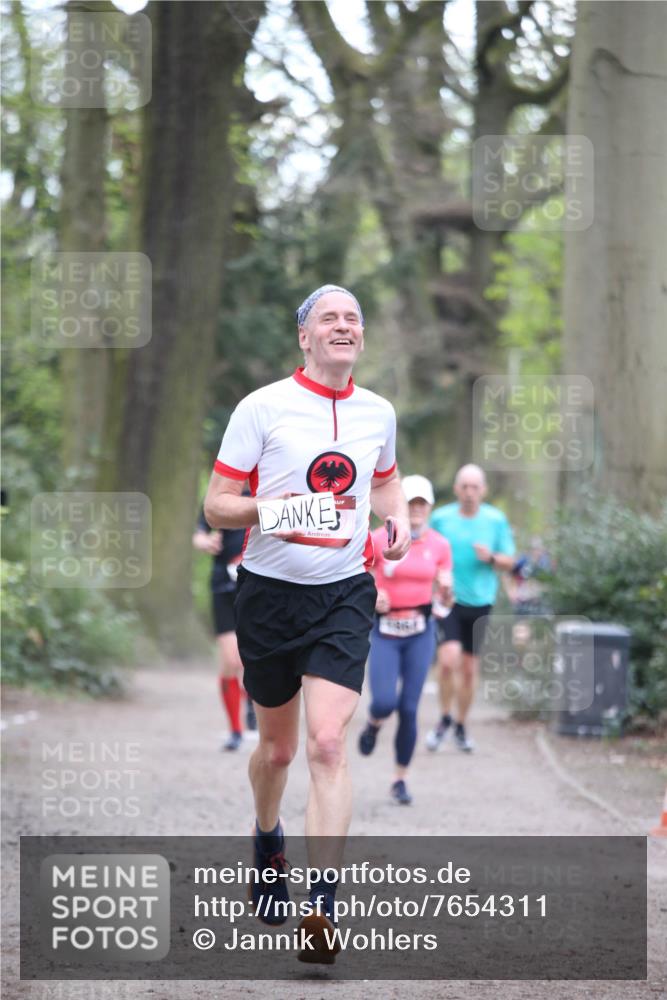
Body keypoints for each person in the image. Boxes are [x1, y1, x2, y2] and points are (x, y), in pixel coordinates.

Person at [203, 284, 410, 963]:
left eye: (353, 317)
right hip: (267, 596)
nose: (343, 326)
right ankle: (267, 838)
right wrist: (276, 510)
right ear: (304, 336)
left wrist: (396, 519)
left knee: (326, 744)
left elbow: (385, 481)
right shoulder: (262, 407)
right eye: (329, 318)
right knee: (278, 752)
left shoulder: (378, 412)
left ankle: (322, 906)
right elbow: (217, 505)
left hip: (344, 594)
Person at [358, 475, 452, 805]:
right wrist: (372, 594)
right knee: (384, 702)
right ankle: (373, 724)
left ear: (430, 507)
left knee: (410, 708)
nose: (416, 509)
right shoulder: (378, 538)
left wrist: (446, 592)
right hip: (385, 631)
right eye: (411, 503)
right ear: (400, 503)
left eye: (422, 503)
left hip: (420, 632)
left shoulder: (440, 546)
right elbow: (359, 579)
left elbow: (445, 600)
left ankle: (400, 778)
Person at [426, 464, 515, 753]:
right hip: (448, 600)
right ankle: (444, 718)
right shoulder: (441, 518)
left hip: (481, 602)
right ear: (456, 489)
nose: (469, 492)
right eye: (464, 486)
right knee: (448, 660)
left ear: (483, 490)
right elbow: (425, 551)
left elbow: (510, 561)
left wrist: (491, 558)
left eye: (474, 487)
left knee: (468, 668)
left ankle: (461, 725)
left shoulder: (495, 520)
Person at [192, 507, 256, 751]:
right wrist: (206, 542)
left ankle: (252, 701)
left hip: (258, 586)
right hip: (223, 586)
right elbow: (199, 534)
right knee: (232, 660)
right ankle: (235, 730)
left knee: (253, 658)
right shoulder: (219, 494)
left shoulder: (269, 490)